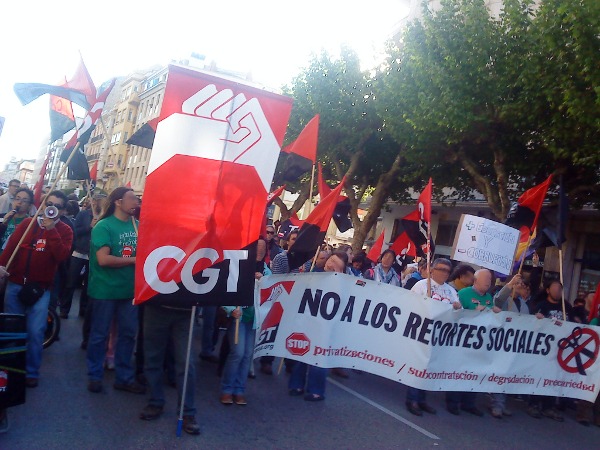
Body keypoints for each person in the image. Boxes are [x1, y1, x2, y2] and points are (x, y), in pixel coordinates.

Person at [0, 190, 73, 387]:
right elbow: (11, 247)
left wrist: (51, 231)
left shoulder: (65, 230)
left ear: (62, 210)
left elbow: (62, 256)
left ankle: (31, 372)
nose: (51, 208)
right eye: (49, 203)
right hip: (15, 284)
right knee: (12, 330)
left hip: (40, 290)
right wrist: (1, 265)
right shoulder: (27, 223)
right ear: (42, 205)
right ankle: (10, 369)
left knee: (35, 331)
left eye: (57, 206)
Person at [86, 187, 144, 395]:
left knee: (128, 335)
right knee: (100, 335)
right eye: (132, 198)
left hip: (129, 291)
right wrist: (135, 260)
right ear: (118, 202)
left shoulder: (139, 226)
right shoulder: (104, 226)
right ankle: (95, 375)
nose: (136, 202)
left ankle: (124, 377)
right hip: (105, 290)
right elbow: (103, 259)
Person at [288, 251, 348, 401]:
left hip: (326, 326)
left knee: (319, 358)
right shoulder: (314, 273)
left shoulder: (344, 284)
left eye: (336, 264)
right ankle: (297, 384)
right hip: (307, 322)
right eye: (331, 260)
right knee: (302, 352)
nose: (331, 264)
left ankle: (316, 390)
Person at [405, 258, 461, 416]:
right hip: (421, 332)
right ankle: (412, 399)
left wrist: (457, 308)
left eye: (447, 271)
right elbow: (410, 304)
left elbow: (457, 314)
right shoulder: (422, 285)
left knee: (429, 368)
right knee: (418, 366)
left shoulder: (451, 291)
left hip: (439, 336)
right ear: (432, 269)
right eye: (441, 269)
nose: (444, 273)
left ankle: (422, 400)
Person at [220, 238, 271, 407]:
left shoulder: (265, 270)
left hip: (253, 319)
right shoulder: (239, 265)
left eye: (263, 249)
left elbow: (272, 290)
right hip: (238, 317)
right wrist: (229, 309)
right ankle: (227, 389)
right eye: (258, 247)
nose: (260, 251)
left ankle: (239, 390)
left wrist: (264, 279)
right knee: (238, 353)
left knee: (248, 355)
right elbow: (224, 288)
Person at [452, 269, 498, 417]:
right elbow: (454, 313)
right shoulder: (464, 294)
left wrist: (494, 311)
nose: (488, 282)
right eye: (485, 279)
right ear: (475, 280)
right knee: (459, 372)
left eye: (489, 280)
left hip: (480, 342)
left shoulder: (489, 297)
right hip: (463, 340)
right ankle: (453, 402)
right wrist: (472, 309)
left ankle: (469, 403)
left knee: (474, 373)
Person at [528, 279, 572, 421]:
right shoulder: (542, 306)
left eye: (560, 288)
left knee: (553, 378)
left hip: (560, 349)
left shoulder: (566, 307)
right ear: (548, 290)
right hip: (544, 349)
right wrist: (538, 319)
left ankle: (548, 406)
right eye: (555, 288)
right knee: (540, 375)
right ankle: (534, 404)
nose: (558, 291)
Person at [261, 229, 300, 375]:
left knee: (293, 332)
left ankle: (290, 362)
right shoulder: (281, 258)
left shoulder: (307, 262)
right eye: (294, 239)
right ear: (288, 241)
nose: (296, 242)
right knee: (274, 330)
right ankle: (267, 360)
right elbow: (276, 279)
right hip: (282, 298)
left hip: (297, 300)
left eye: (298, 239)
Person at [61, 194, 105, 320]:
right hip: (79, 252)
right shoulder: (84, 214)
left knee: (88, 284)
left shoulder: (104, 217)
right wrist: (89, 227)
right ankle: (64, 309)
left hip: (93, 254)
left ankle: (84, 309)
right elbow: (75, 231)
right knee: (71, 282)